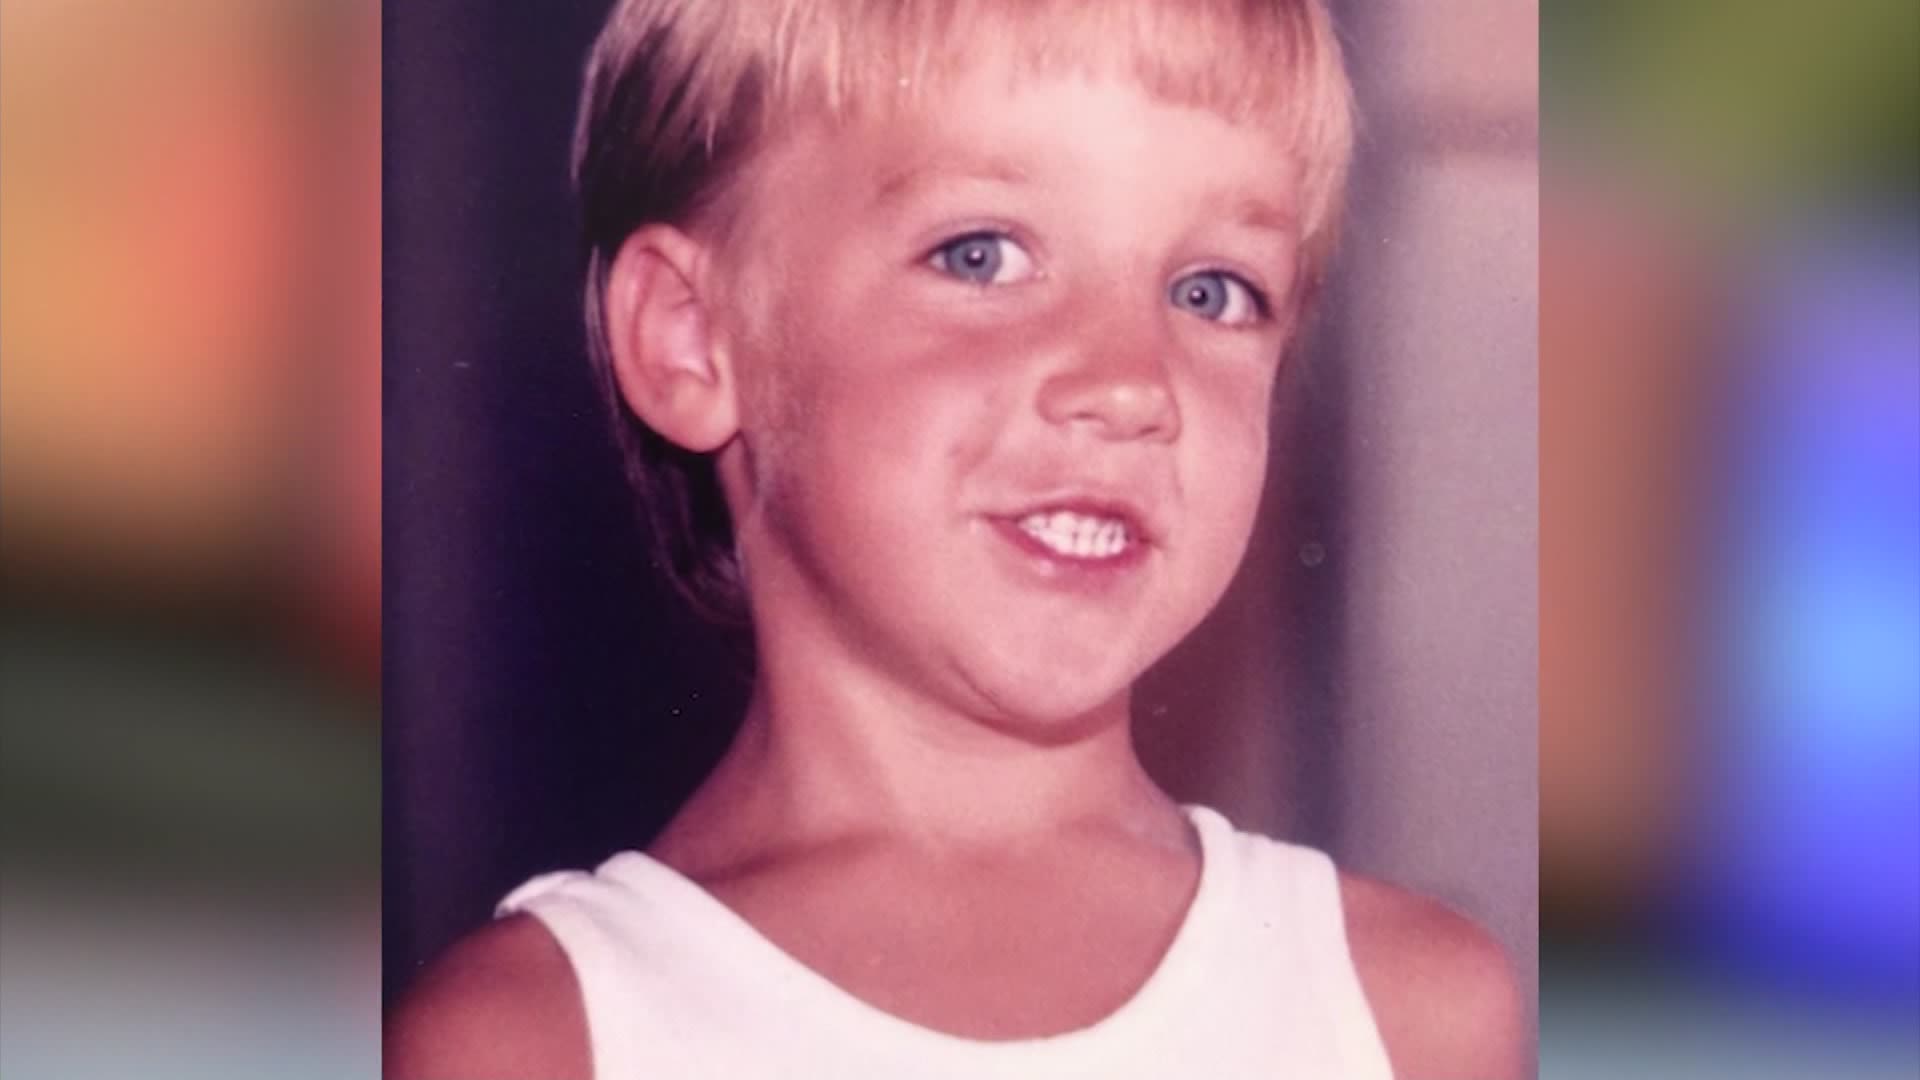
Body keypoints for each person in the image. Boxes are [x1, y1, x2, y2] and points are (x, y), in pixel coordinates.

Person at [387, 0, 1526, 1076]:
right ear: (694, 338)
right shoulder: (537, 1043)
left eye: (1212, 291)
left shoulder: (1410, 1016)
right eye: (982, 254)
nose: (1132, 385)